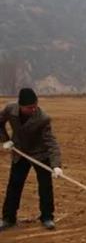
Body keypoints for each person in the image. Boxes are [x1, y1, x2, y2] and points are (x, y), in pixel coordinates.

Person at [0, 88, 63, 231]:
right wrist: (5, 140)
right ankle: (8, 218)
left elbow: (51, 142)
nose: (33, 109)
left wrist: (56, 165)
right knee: (14, 185)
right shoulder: (10, 110)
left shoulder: (43, 118)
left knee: (45, 185)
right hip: (20, 152)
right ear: (20, 106)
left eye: (35, 105)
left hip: (40, 154)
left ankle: (47, 217)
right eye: (29, 107)